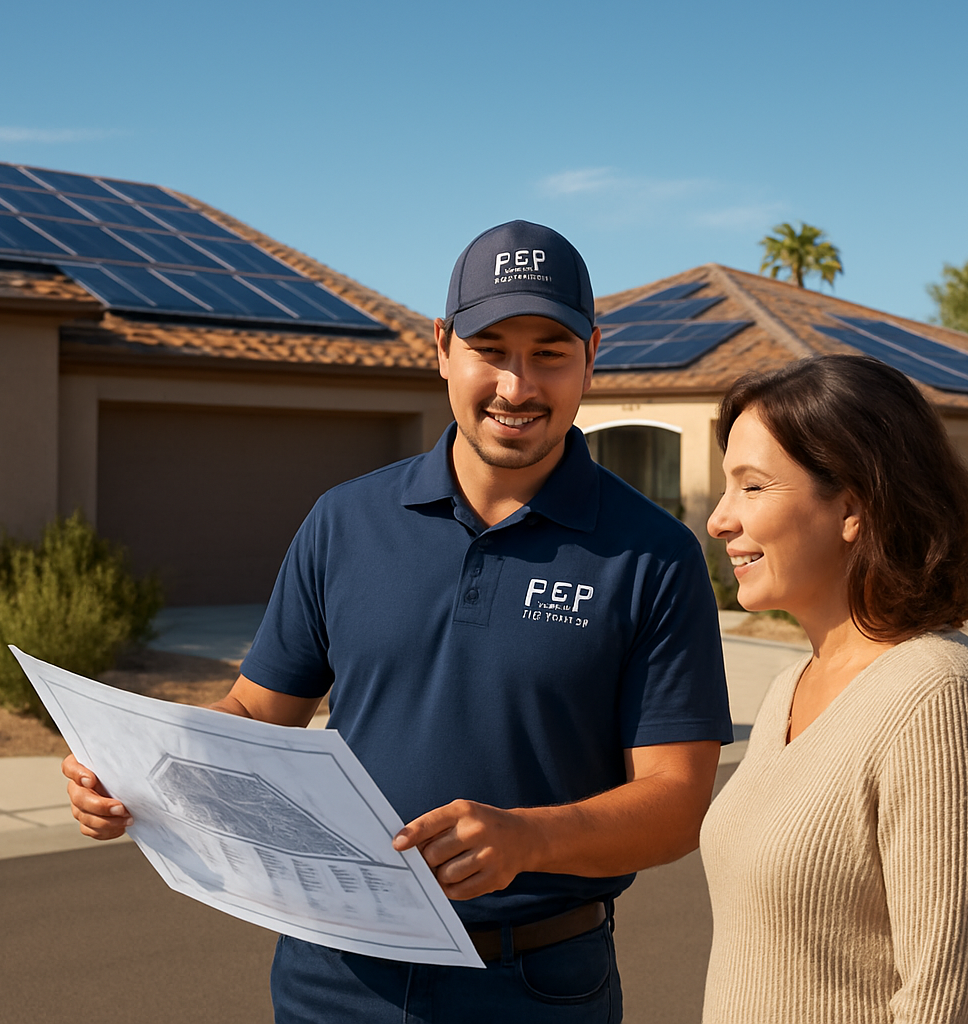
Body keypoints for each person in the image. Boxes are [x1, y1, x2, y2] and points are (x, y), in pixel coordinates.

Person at [64, 219, 733, 1023]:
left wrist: (528, 839)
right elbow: (254, 712)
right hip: (335, 976)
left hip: (535, 984)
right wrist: (134, 768)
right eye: (491, 348)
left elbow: (676, 803)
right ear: (443, 347)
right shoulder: (345, 521)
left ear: (593, 353)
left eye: (549, 352)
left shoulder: (653, 555)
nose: (517, 387)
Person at [701, 354, 968, 1023]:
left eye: (752, 488)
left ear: (853, 506)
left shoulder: (934, 694)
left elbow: (940, 998)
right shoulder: (794, 681)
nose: (719, 519)